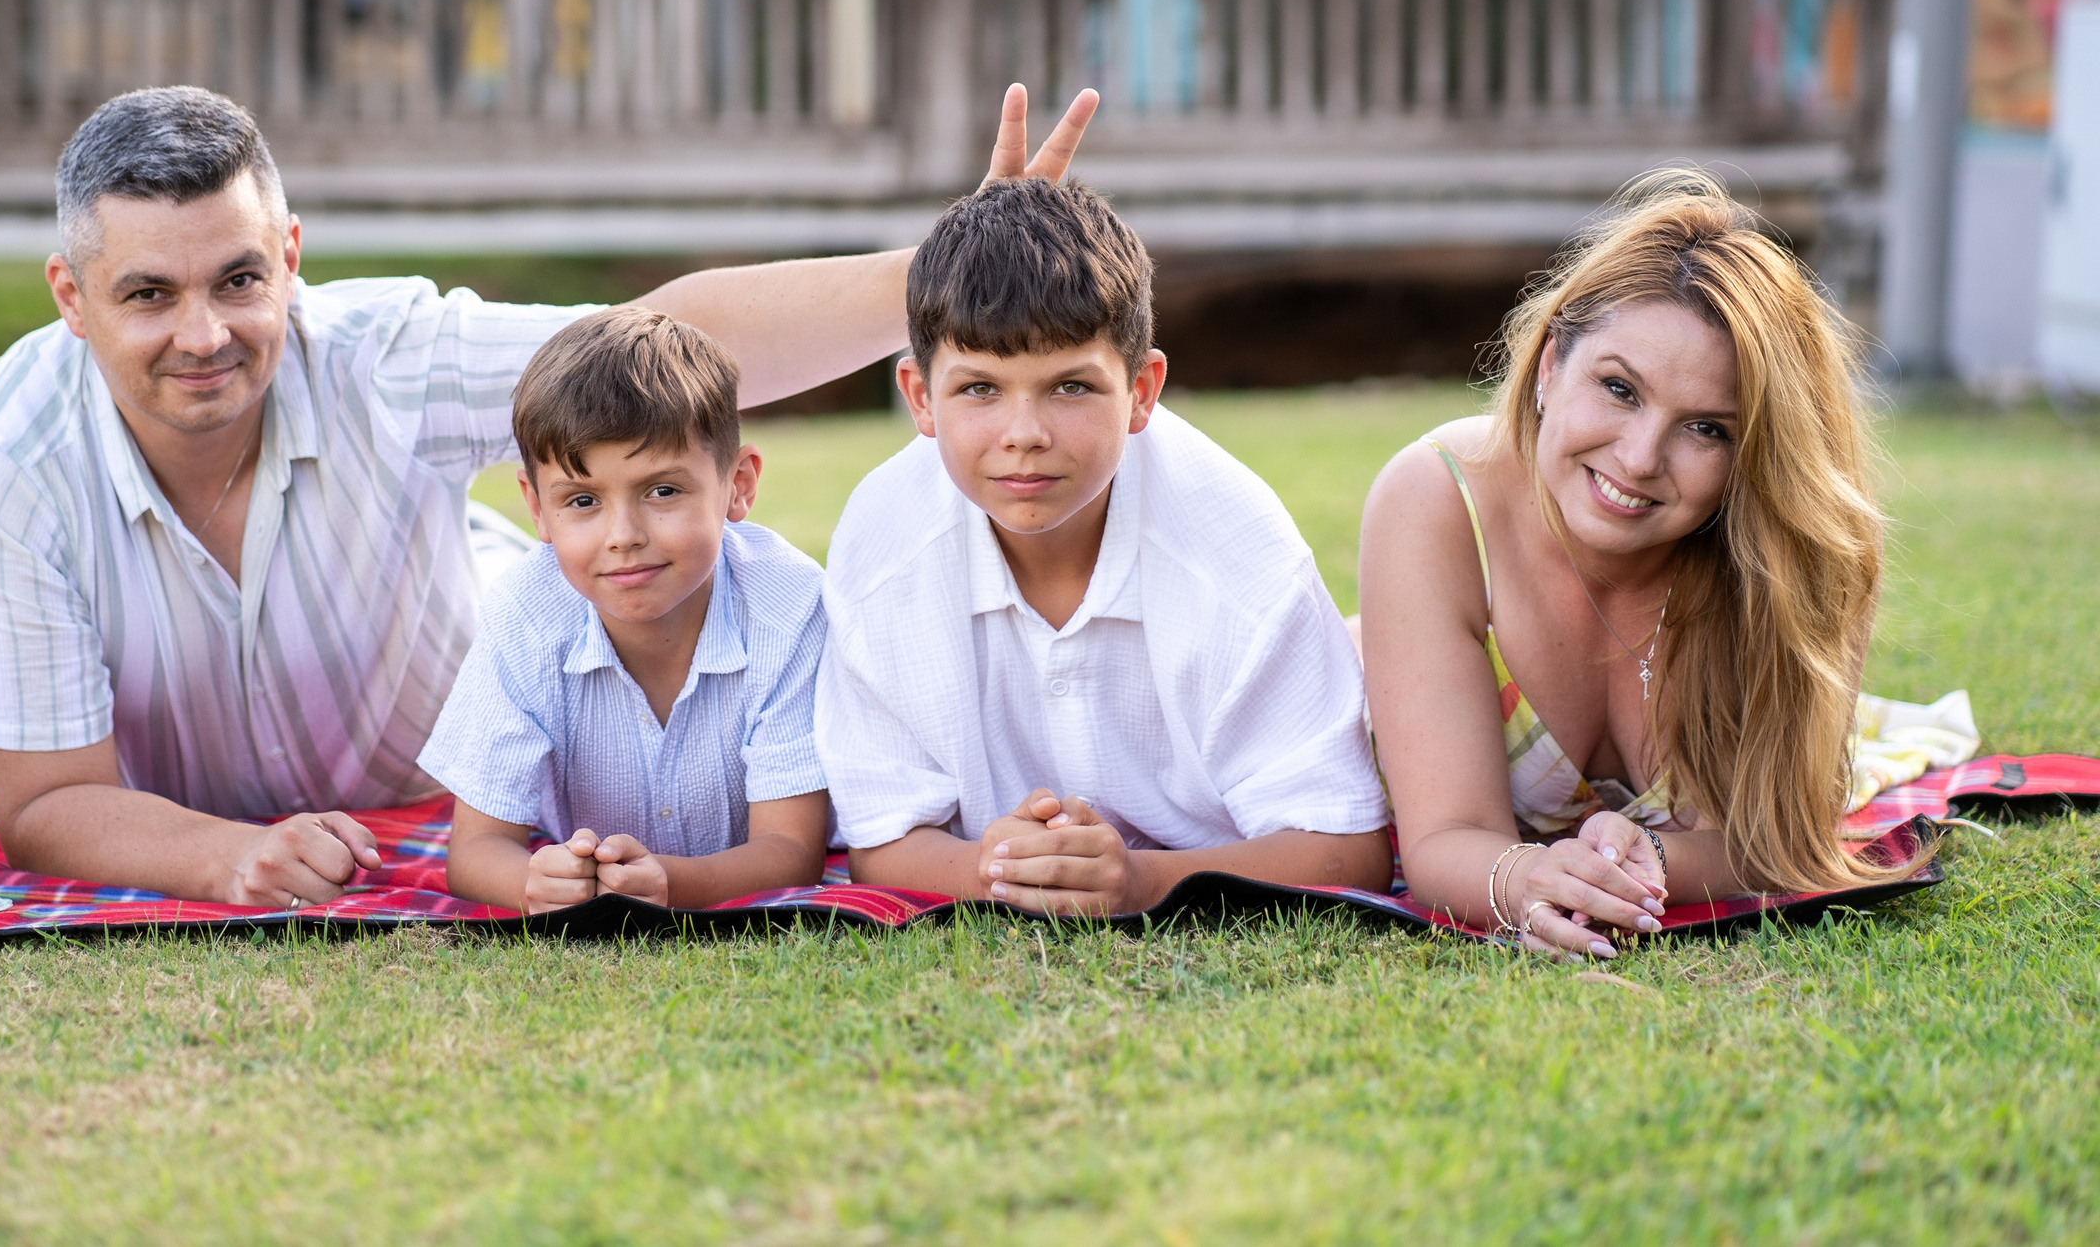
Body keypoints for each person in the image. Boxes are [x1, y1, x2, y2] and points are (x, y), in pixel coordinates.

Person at [0, 80, 1095, 909]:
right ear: (70, 298)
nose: (205, 334)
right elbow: (45, 802)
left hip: (466, 720)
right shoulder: (2, 463)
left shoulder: (379, 355)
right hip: (199, 803)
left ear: (289, 255)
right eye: (146, 295)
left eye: (238, 279)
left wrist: (943, 272)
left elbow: (657, 351)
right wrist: (220, 857)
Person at [1357, 170, 1910, 960]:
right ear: (1550, 367)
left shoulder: (1806, 554)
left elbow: (1788, 835)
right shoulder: (1439, 501)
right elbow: (1445, 835)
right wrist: (1525, 881)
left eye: (1707, 429)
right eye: (1619, 388)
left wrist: (1656, 861)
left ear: (1756, 451)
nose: (1642, 456)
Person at [815, 178, 1392, 915]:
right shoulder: (883, 545)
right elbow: (881, 838)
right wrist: (990, 864)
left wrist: (1141, 881)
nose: (1024, 432)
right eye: (980, 389)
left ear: (1143, 389)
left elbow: (1349, 848)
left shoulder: (1239, 554)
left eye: (1071, 387)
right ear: (921, 398)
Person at [422, 309, 827, 913]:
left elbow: (793, 850)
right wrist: (540, 884)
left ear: (737, 485)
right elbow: (478, 850)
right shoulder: (526, 613)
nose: (623, 535)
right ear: (536, 510)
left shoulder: (789, 606)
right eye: (582, 500)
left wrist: (665, 886)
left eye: (663, 491)